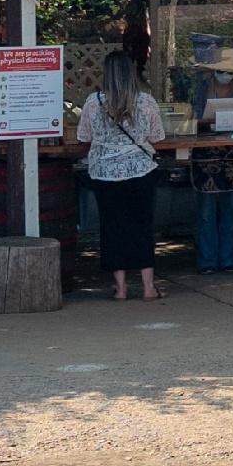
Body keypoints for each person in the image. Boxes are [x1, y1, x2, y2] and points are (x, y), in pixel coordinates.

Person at [80, 47, 166, 303]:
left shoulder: (93, 103)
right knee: (142, 226)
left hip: (104, 174)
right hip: (140, 170)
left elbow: (83, 137)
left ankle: (120, 288)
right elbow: (157, 137)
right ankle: (149, 287)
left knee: (112, 228)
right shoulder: (146, 101)